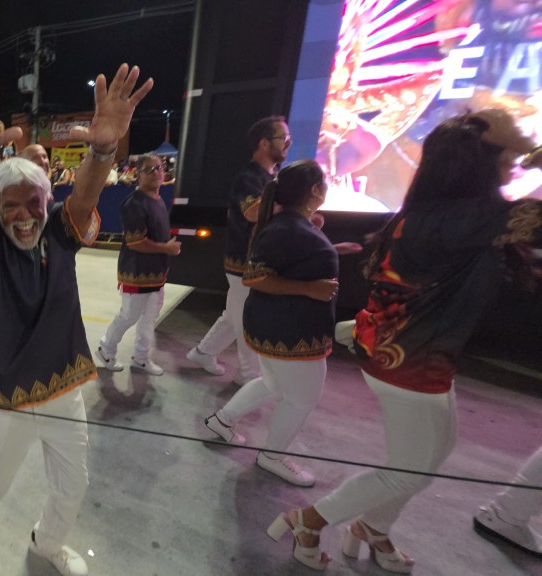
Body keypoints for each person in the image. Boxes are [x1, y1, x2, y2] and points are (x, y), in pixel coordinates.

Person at [268, 109, 542, 572]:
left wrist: (513, 144)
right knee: (408, 469)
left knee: (432, 455)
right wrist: (525, 145)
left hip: (415, 355)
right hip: (408, 363)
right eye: (505, 159)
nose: (512, 167)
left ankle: (373, 528)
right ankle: (307, 521)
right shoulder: (464, 219)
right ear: (475, 166)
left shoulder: (441, 215)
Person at [0, 62, 152, 576]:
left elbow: (85, 198)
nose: (23, 216)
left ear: (46, 200)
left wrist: (102, 152)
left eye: (32, 203)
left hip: (63, 389)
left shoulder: (59, 228)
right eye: (10, 206)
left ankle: (47, 543)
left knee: (72, 484)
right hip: (5, 396)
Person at [202, 160, 340, 488]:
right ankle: (272, 456)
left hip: (280, 326)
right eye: (325, 182)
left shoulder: (293, 225)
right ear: (315, 190)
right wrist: (310, 289)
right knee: (302, 397)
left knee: (272, 384)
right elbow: (256, 277)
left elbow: (294, 262)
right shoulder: (286, 228)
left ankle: (222, 421)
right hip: (290, 331)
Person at [185, 116, 289, 383]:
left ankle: (202, 353)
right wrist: (290, 207)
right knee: (246, 319)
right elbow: (252, 212)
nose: (288, 144)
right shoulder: (249, 177)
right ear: (264, 143)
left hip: (254, 261)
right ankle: (248, 375)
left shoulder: (270, 177)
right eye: (283, 138)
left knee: (233, 316)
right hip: (244, 262)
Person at [96, 154, 180, 375]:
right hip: (136, 272)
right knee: (129, 316)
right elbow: (136, 242)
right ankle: (106, 349)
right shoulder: (134, 204)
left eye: (159, 168)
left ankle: (141, 357)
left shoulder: (157, 200)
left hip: (156, 273)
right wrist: (166, 248)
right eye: (149, 170)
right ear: (138, 175)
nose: (156, 173)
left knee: (149, 318)